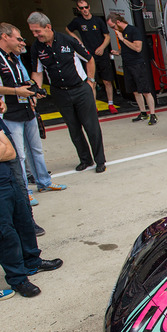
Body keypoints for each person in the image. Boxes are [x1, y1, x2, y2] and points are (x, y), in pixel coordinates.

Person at [28, 11, 106, 173]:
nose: (35, 35)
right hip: (60, 92)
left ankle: (100, 160)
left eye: (38, 31)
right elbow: (37, 71)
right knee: (73, 128)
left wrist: (91, 81)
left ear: (48, 27)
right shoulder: (36, 47)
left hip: (80, 89)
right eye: (33, 32)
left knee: (91, 126)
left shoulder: (68, 41)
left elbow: (89, 59)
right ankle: (85, 159)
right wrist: (36, 90)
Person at [0, 23, 67, 200]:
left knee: (36, 149)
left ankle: (44, 182)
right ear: (5, 37)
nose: (22, 42)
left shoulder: (15, 57)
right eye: (18, 38)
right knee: (19, 155)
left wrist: (32, 92)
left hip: (27, 109)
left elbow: (24, 79)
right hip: (10, 114)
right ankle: (25, 192)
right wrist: (17, 92)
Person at [0, 116, 63, 299]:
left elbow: (10, 151)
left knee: (24, 221)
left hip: (8, 178)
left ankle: (32, 261)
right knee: (6, 234)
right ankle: (18, 278)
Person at [66, 0, 116, 113]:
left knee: (107, 81)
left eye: (86, 7)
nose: (84, 10)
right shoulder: (77, 21)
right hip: (89, 56)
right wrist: (78, 41)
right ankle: (94, 106)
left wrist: (102, 47)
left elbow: (107, 36)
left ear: (89, 7)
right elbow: (68, 29)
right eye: (81, 8)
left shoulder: (98, 20)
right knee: (92, 82)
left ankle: (111, 104)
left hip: (102, 55)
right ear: (78, 9)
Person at [106, 14, 157, 125]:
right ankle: (143, 112)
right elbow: (127, 48)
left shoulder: (133, 31)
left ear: (118, 22)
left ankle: (153, 114)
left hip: (137, 64)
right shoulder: (121, 33)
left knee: (145, 90)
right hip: (127, 64)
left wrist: (123, 39)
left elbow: (138, 48)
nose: (113, 29)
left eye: (113, 26)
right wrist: (118, 52)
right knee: (135, 90)